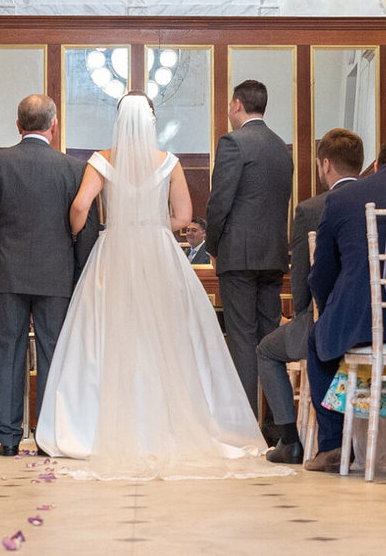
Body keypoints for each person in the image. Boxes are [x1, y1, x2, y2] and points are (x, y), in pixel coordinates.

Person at [33, 93, 276, 478]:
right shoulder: (169, 163)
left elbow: (81, 206)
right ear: (151, 121)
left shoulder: (102, 160)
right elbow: (182, 215)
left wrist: (79, 229)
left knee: (108, 335)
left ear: (119, 121)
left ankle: (95, 426)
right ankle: (167, 425)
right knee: (164, 337)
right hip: (159, 252)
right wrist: (151, 222)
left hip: (113, 252)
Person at [0, 93, 87, 457]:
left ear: (18, 126)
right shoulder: (74, 169)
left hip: (7, 275)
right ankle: (48, 435)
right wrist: (80, 276)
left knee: (7, 352)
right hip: (57, 278)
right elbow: (85, 229)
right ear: (54, 125)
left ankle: (7, 439)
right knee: (54, 352)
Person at [303, 135, 386, 472]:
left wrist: (330, 312)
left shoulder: (345, 198)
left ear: (376, 164)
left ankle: (333, 445)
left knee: (317, 342)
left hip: (360, 321)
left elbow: (322, 271)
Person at [257, 128, 362, 464]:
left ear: (325, 164)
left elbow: (302, 277)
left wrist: (300, 316)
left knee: (266, 350)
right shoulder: (377, 197)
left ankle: (289, 440)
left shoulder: (311, 208)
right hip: (379, 321)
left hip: (326, 321)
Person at [205, 78, 295, 422]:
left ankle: (246, 424)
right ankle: (278, 423)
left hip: (238, 256)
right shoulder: (280, 147)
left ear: (236, 104)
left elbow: (219, 203)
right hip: (273, 256)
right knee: (268, 339)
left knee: (242, 339)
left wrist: (213, 246)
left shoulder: (233, 142)